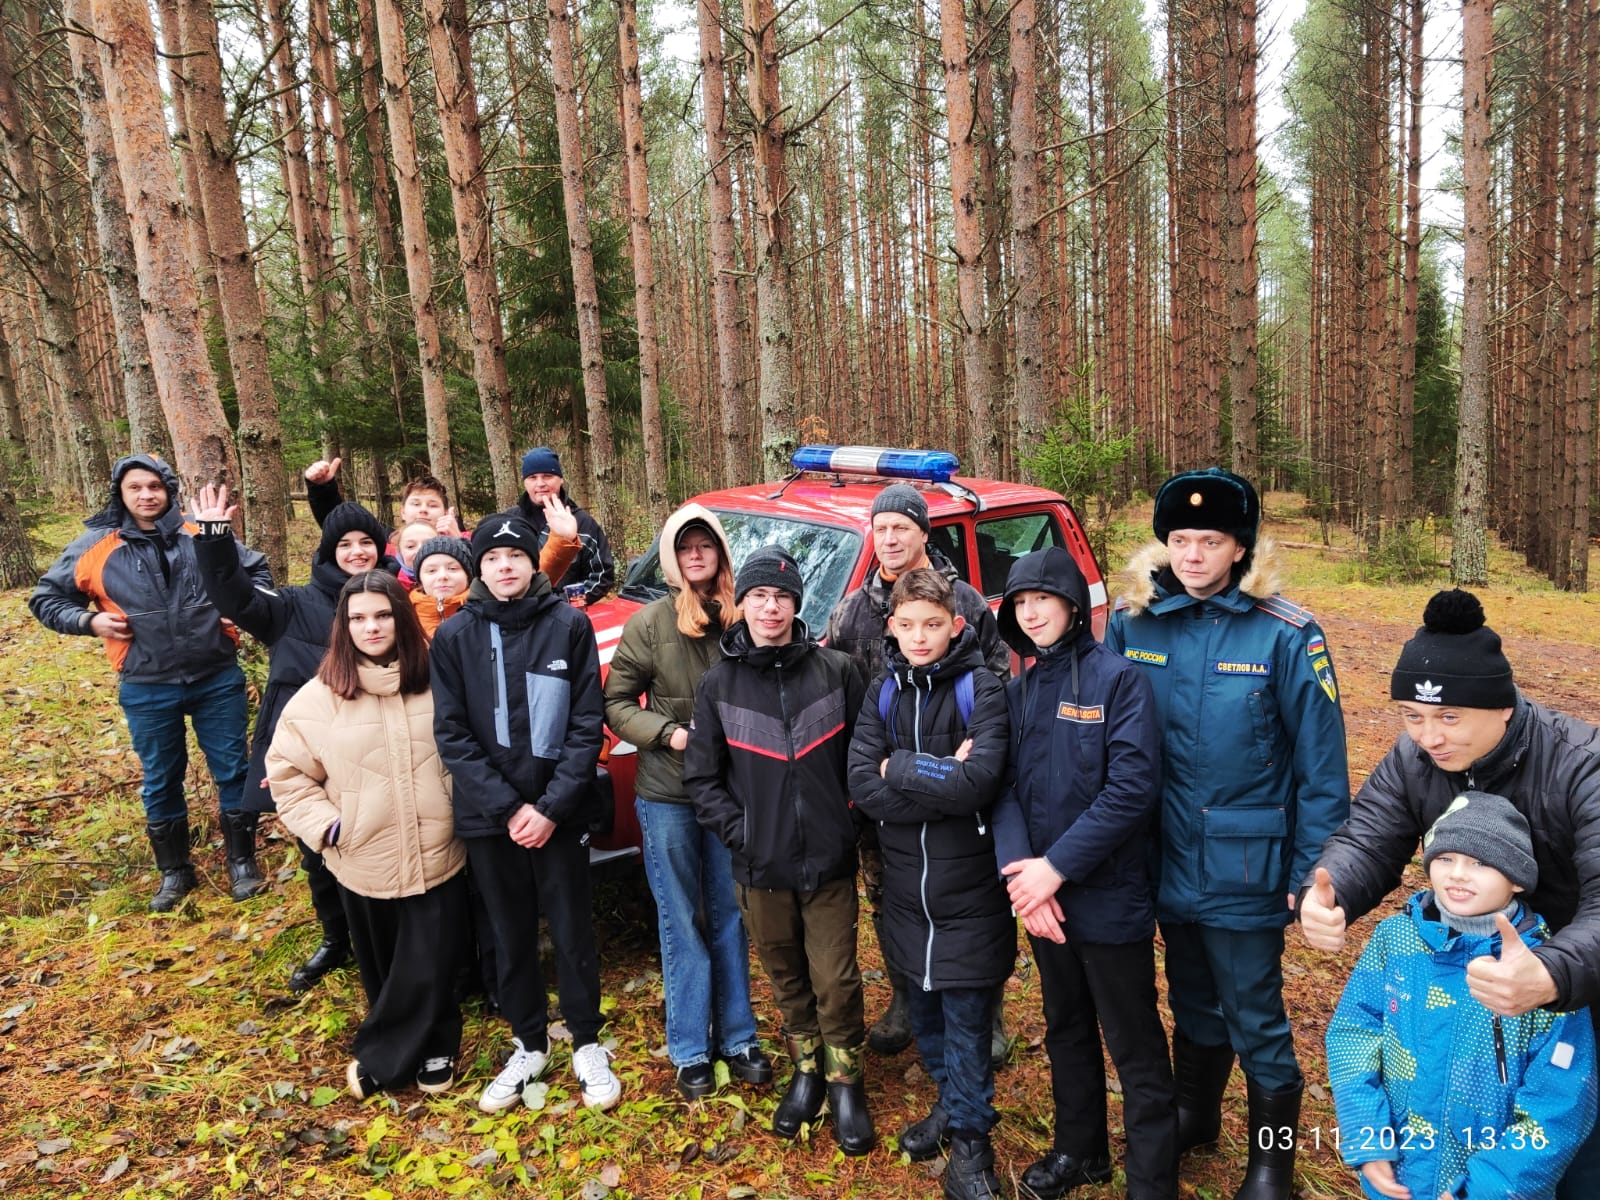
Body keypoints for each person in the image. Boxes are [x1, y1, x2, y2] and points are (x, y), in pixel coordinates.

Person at [1301, 588, 1600, 1200]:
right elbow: (1369, 836)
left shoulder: (1580, 764)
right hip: (1464, 981)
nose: (1429, 736)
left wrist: (1552, 973)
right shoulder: (1416, 758)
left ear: (1503, 709)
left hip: (1574, 983)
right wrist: (1329, 896)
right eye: (1412, 716)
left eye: (1448, 717)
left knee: (1568, 1141)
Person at [1103, 467, 1349, 1200]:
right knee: (1192, 997)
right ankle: (1196, 1114)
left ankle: (1271, 1160)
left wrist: (1311, 877)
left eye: (1210, 540)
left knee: (1256, 1015)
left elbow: (1322, 772)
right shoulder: (1135, 621)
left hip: (1247, 863)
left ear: (1240, 548)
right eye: (1180, 539)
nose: (1193, 556)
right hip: (1161, 857)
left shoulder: (1287, 634)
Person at [993, 547, 1178, 1200]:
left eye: (1042, 598)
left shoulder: (1118, 682)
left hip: (1108, 899)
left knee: (1134, 1044)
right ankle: (1081, 1151)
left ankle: (1151, 1179)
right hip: (1043, 904)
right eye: (1020, 601)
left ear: (1073, 605)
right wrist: (1025, 881)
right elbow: (1004, 788)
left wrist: (1056, 869)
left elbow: (1131, 789)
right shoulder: (1018, 692)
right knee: (1065, 1026)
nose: (1032, 611)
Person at [430, 512, 622, 1113]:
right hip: (491, 819)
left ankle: (587, 1039)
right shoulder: (455, 636)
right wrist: (511, 808)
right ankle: (529, 1042)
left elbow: (587, 723)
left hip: (559, 813)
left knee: (571, 928)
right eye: (492, 559)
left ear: (531, 561)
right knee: (509, 933)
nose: (505, 567)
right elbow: (452, 734)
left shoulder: (567, 624)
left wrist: (549, 807)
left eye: (514, 556)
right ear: (478, 569)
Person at [684, 546, 872, 1154]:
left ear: (797, 605)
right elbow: (702, 778)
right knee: (787, 977)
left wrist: (850, 820)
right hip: (759, 866)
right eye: (760, 596)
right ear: (743, 603)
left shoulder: (837, 672)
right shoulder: (720, 682)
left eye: (783, 597)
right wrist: (742, 834)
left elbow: (865, 760)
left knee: (836, 979)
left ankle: (846, 1083)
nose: (771, 608)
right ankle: (808, 1070)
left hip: (829, 862)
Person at [1324, 792, 1596, 1200]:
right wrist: (1367, 1138)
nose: (1458, 874)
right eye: (1445, 858)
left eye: (1481, 862)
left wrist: (1487, 1190)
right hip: (1400, 1178)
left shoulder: (1542, 972)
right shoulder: (1394, 941)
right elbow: (1353, 1035)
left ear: (1518, 878)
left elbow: (1559, 1103)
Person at [28, 455, 270, 911]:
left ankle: (243, 863)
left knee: (234, 769)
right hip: (145, 681)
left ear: (170, 490)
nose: (146, 495)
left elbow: (255, 571)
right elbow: (46, 599)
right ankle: (174, 872)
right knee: (161, 779)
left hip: (216, 674)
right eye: (135, 487)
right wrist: (87, 620)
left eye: (155, 486)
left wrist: (238, 607)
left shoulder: (201, 532)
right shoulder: (96, 544)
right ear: (120, 493)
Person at [823, 482, 1009, 1064]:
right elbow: (839, 690)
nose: (890, 538)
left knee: (975, 898)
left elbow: (996, 679)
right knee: (890, 896)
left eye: (901, 527)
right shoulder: (852, 611)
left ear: (924, 533)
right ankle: (907, 997)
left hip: (958, 793)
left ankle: (988, 1015)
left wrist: (947, 771)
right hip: (885, 792)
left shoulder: (966, 602)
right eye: (880, 529)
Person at [267, 572, 469, 1099]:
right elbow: (287, 773)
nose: (370, 626)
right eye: (357, 618)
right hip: (361, 851)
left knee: (429, 956)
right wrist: (328, 827)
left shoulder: (440, 678)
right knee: (382, 964)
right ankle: (419, 1045)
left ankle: (403, 1050)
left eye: (381, 614)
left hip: (438, 845)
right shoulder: (318, 698)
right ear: (343, 626)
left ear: (400, 617)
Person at [846, 567, 1013, 1200]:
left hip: (969, 890)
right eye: (908, 625)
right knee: (926, 1013)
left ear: (956, 626)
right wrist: (939, 779)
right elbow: (863, 785)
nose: (920, 637)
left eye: (933, 625)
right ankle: (949, 1105)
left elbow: (983, 783)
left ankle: (972, 1145)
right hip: (904, 890)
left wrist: (902, 768)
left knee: (969, 1020)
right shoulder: (882, 690)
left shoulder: (984, 689)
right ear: (891, 626)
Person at [193, 488, 399, 992]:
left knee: (375, 842)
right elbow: (233, 593)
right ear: (328, 552)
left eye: (365, 542)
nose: (356, 552)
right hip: (311, 755)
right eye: (344, 544)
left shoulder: (394, 604)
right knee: (317, 846)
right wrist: (216, 537)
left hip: (377, 749)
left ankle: (386, 939)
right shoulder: (290, 606)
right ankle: (335, 937)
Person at [602, 505, 772, 1100]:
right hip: (669, 791)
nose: (696, 555)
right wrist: (666, 732)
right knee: (681, 919)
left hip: (732, 792)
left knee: (730, 914)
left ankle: (739, 1037)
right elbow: (616, 702)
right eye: (684, 547)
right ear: (672, 560)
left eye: (705, 546)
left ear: (721, 553)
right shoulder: (648, 624)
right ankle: (690, 1047)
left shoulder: (744, 617)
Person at [301, 457, 583, 586]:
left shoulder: (472, 543)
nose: (423, 510)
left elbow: (520, 580)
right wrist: (323, 490)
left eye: (432, 504)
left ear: (446, 510)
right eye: (416, 504)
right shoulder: (383, 547)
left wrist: (458, 542)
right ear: (402, 512)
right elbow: (341, 527)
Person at [515, 447, 614, 605]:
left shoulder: (582, 523)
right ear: (524, 482)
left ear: (561, 479)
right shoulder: (509, 523)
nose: (540, 483)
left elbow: (602, 577)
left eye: (547, 476)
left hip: (566, 617)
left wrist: (561, 603)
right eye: (533, 477)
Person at [409, 536, 474, 641]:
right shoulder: (407, 617)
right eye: (431, 571)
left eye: (452, 568)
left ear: (467, 575)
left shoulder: (483, 614)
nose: (442, 576)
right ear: (420, 578)